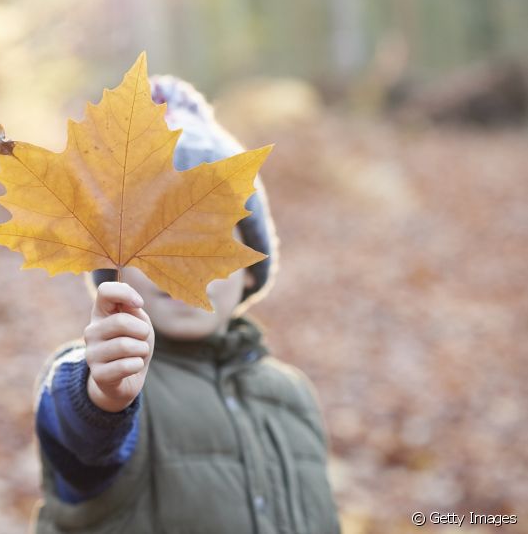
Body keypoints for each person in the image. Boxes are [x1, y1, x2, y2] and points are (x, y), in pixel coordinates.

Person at [30, 75, 341, 533]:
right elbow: (78, 439)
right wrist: (104, 397)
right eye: (153, 239)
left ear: (252, 268)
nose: (182, 264)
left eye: (209, 241)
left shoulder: (293, 397)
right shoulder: (110, 377)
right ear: (112, 265)